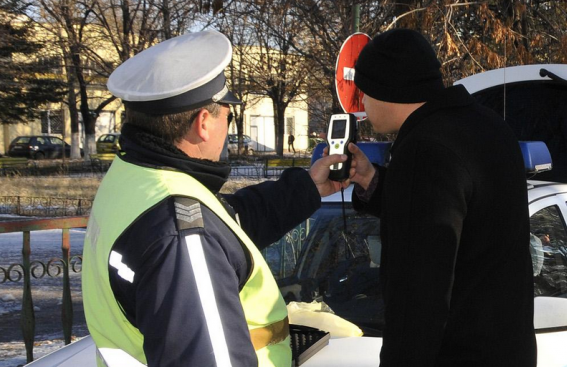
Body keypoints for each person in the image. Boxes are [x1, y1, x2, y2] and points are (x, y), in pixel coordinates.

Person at [81, 30, 348, 367]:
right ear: (204, 122)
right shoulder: (184, 232)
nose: (228, 127)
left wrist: (307, 188)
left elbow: (228, 223)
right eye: (228, 115)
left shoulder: (134, 179)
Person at [344, 29, 537, 366]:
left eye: (365, 91)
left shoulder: (425, 149)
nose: (361, 103)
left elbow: (418, 295)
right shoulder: (485, 125)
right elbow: (458, 213)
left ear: (388, 88)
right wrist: (373, 180)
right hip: (506, 350)